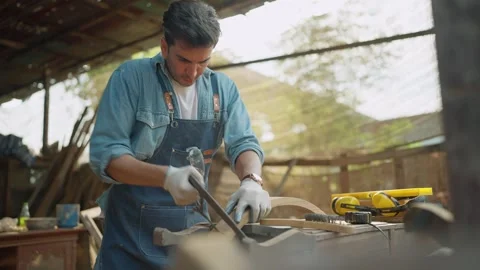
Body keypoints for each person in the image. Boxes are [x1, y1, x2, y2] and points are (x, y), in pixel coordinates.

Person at [88, 0, 272, 269]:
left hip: (191, 238)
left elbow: (243, 142)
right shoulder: (131, 78)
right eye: (184, 60)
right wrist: (167, 177)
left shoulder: (223, 90)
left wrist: (252, 179)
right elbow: (107, 155)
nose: (193, 72)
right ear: (165, 47)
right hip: (128, 242)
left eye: (203, 61)